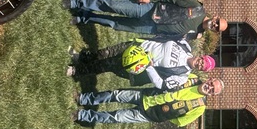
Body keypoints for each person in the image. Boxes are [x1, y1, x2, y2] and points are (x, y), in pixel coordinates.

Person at [66, 38, 216, 91]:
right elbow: (164, 37)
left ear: (201, 70)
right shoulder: (185, 45)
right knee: (106, 52)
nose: (200, 64)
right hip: (137, 46)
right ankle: (82, 58)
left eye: (202, 67)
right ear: (201, 56)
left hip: (137, 65)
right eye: (202, 61)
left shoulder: (182, 76)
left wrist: (150, 67)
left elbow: (162, 85)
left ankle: (76, 71)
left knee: (107, 65)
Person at [62, 0, 228, 38]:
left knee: (114, 24)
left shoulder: (196, 34)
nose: (214, 25)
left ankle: (84, 17)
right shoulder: (197, 8)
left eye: (217, 28)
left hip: (149, 28)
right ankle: (77, 2)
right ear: (215, 17)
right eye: (217, 22)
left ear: (215, 31)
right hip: (150, 9)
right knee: (114, 6)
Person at [71, 78, 224, 125]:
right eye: (211, 84)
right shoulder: (192, 78)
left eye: (212, 90)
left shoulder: (200, 108)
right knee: (115, 94)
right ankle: (83, 98)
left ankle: (82, 115)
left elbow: (180, 122)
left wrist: (164, 113)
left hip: (149, 114)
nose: (209, 87)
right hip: (146, 95)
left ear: (212, 95)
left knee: (115, 117)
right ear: (209, 79)